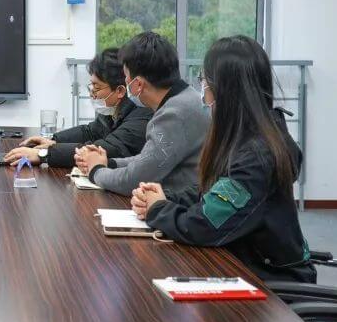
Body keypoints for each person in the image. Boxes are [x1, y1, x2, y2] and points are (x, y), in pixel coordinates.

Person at [132, 36, 314, 283]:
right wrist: (166, 197)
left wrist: (158, 209)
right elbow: (214, 192)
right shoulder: (248, 137)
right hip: (242, 263)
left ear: (225, 91)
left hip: (272, 283)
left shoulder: (257, 156)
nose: (203, 93)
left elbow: (206, 224)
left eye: (205, 82)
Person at [74, 32, 209, 195]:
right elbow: (149, 159)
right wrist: (109, 163)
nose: (125, 83)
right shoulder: (186, 98)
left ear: (137, 84)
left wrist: (96, 170)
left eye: (126, 77)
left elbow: (133, 181)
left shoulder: (173, 114)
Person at [4, 48, 151, 167]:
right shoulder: (114, 110)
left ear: (120, 91)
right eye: (91, 86)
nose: (92, 93)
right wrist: (53, 141)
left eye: (96, 87)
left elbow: (106, 149)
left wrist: (44, 154)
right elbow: (89, 132)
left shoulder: (140, 117)